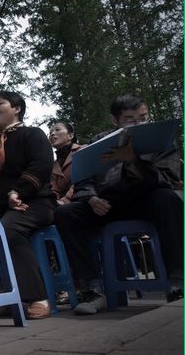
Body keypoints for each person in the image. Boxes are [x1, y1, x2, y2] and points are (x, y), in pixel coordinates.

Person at [54, 94, 184, 314]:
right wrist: (92, 198)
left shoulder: (161, 139)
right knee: (66, 214)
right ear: (116, 121)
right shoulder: (100, 141)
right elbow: (84, 178)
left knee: (169, 199)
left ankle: (178, 282)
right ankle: (93, 289)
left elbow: (168, 178)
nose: (139, 124)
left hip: (147, 198)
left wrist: (133, 160)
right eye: (130, 120)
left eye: (143, 117)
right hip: (107, 203)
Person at [0, 91, 55, 320]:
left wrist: (19, 191)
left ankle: (35, 297)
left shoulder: (32, 134)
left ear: (17, 108)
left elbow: (41, 165)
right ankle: (1, 297)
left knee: (9, 229)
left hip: (34, 203)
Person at [49, 121, 85, 205]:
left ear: (70, 135)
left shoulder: (83, 150)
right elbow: (54, 189)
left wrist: (66, 199)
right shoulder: (53, 165)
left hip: (83, 200)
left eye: (57, 129)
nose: (52, 133)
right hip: (59, 204)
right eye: (50, 132)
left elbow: (84, 179)